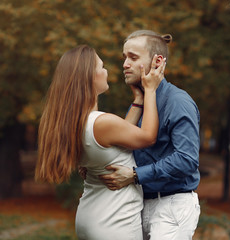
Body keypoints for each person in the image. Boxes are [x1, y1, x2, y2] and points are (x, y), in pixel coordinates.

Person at [35, 45, 166, 240]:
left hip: (91, 217)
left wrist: (138, 100)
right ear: (90, 76)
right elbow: (147, 136)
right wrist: (150, 90)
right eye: (102, 67)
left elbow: (118, 140)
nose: (107, 71)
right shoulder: (101, 122)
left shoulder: (77, 122)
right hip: (114, 222)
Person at [99, 30, 201, 240]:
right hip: (139, 204)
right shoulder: (140, 101)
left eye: (133, 58)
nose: (125, 64)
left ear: (157, 62)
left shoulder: (178, 102)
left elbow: (187, 160)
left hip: (172, 205)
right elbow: (123, 147)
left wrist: (136, 175)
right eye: (125, 57)